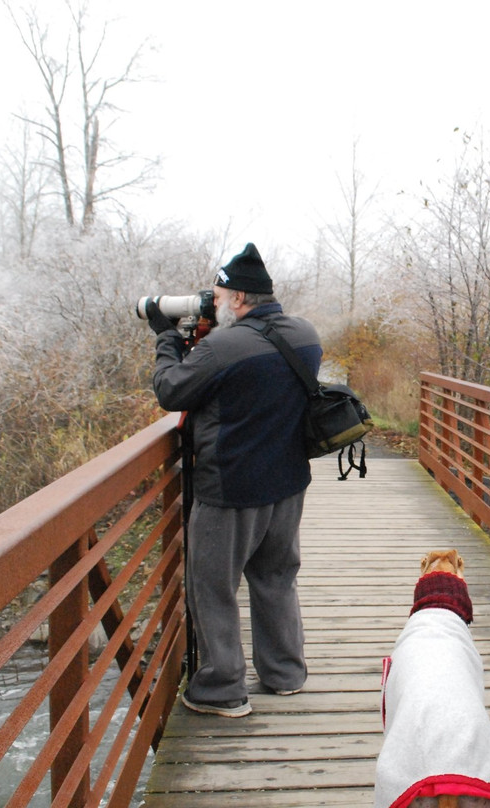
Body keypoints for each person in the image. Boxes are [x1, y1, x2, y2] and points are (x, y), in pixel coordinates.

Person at [146, 242, 322, 718]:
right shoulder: (305, 334)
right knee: (276, 578)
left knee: (214, 586)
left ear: (241, 299)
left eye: (220, 296)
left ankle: (223, 689)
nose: (214, 302)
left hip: (231, 490)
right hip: (288, 485)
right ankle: (285, 674)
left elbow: (170, 389)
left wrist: (167, 339)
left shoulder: (223, 347)